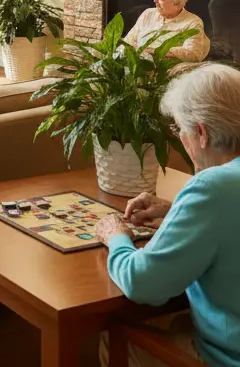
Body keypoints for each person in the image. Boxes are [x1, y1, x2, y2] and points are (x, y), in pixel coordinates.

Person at [95, 63, 240, 367]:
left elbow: (143, 284)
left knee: (115, 338)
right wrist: (178, 209)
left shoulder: (212, 187)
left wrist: (117, 238)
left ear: (200, 132)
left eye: (179, 129)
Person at [124, 0, 210, 62]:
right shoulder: (148, 14)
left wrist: (158, 51)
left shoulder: (192, 22)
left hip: (166, 70)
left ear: (176, 3)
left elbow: (193, 54)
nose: (155, 1)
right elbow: (128, 41)